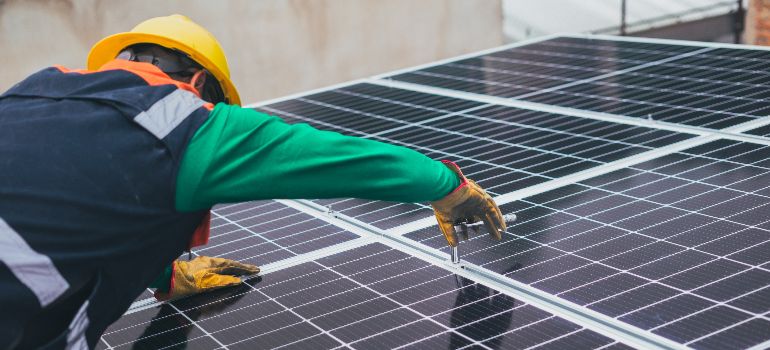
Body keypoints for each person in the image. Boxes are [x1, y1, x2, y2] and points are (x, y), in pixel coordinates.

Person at [0, 14, 506, 349]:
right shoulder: (187, 121)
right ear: (201, 84)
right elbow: (339, 157)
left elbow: (70, 200)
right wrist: (448, 187)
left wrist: (164, 275)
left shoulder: (32, 91)